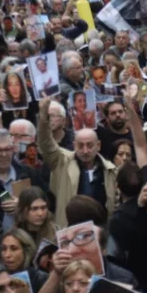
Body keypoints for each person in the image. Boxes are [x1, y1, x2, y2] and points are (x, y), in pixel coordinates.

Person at [38, 97, 118, 228]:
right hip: (69, 230)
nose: (85, 151)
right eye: (80, 146)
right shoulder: (62, 161)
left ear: (98, 145)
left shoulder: (111, 170)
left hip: (100, 231)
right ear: (74, 145)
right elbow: (46, 143)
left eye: (90, 145)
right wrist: (43, 117)